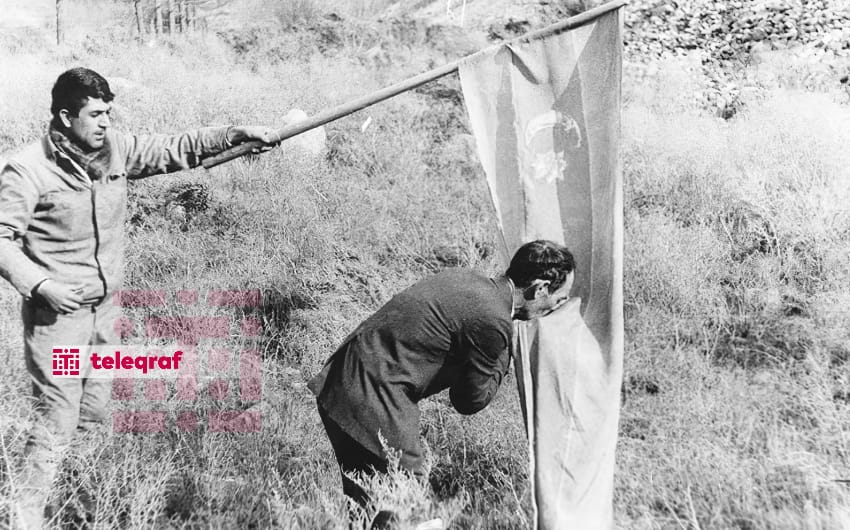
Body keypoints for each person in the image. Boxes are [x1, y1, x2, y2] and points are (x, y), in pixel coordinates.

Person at [0, 66, 279, 529]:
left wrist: (234, 134)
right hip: (57, 320)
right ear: (66, 117)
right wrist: (42, 285)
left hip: (105, 314)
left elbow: (176, 147)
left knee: (93, 415)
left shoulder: (116, 150)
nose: (105, 123)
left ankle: (73, 511)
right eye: (95, 115)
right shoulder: (28, 169)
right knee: (56, 420)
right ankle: (22, 519)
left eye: (108, 113)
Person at [308, 239, 576, 528]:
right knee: (408, 499)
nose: (555, 308)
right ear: (540, 288)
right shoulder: (494, 320)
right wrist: (506, 354)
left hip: (340, 382)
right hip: (374, 395)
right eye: (559, 299)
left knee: (369, 508)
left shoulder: (467, 278)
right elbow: (468, 401)